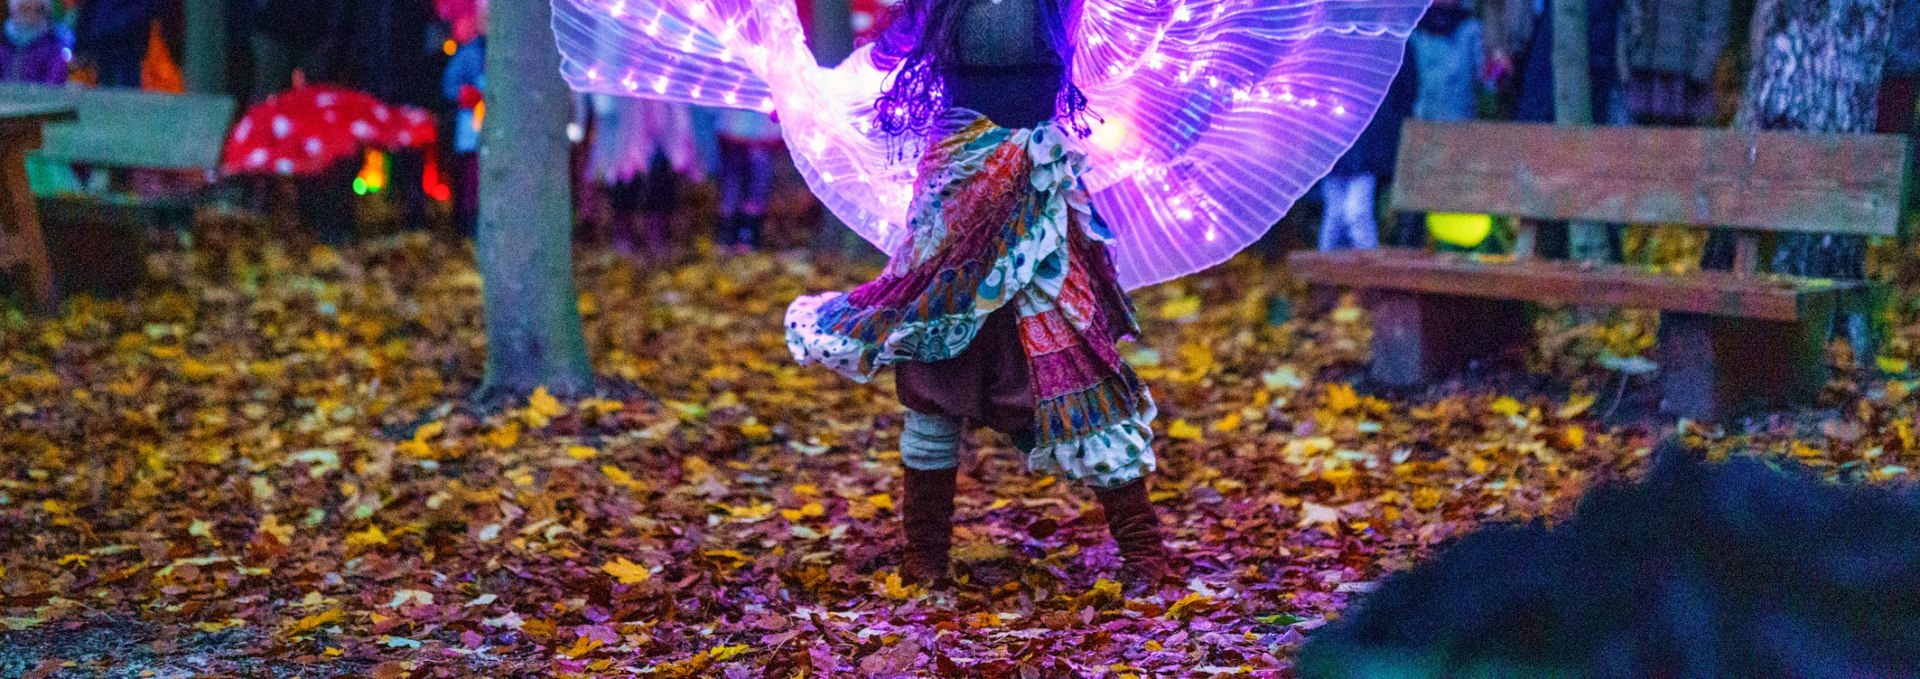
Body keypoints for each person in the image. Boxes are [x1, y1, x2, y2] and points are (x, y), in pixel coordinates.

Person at [552, 0, 1420, 596]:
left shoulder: (1066, 7)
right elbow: (881, 66)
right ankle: (925, 562)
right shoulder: (935, 7)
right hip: (957, 199)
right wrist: (792, 68)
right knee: (934, 373)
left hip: (1040, 204)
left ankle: (1147, 558)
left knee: (1078, 362)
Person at [587, 94, 701, 256]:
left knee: (660, 186)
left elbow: (678, 117)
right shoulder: (625, 86)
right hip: (628, 141)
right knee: (625, 188)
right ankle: (624, 238)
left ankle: (656, 237)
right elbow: (607, 111)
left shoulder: (667, 86)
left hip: (662, 142)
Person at [714, 108, 781, 251]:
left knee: (743, 183)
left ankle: (739, 234)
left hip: (746, 130)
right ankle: (738, 234)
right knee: (743, 183)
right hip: (748, 130)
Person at [442, 28, 484, 237]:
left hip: (498, 132)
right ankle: (467, 221)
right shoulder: (468, 53)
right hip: (471, 127)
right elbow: (449, 85)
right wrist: (466, 94)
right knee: (470, 175)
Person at [72, 0, 160, 88]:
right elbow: (87, 9)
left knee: (126, 83)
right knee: (107, 83)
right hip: (106, 43)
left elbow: (147, 8)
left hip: (128, 44)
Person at [1, 0, 71, 85]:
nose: (31, 14)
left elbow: (54, 85)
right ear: (13, 10)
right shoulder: (3, 44)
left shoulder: (52, 50)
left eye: (38, 10)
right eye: (25, 9)